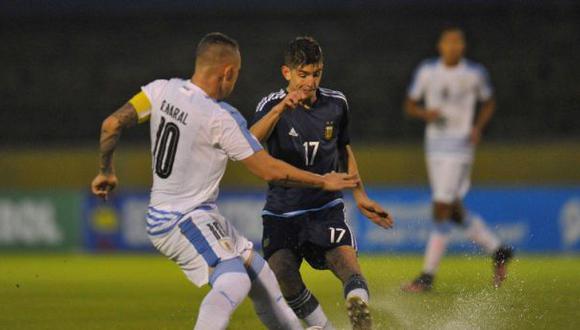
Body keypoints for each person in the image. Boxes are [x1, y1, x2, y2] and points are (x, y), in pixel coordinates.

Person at [90, 32, 359, 330]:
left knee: (263, 277)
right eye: (237, 74)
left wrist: (106, 170)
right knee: (232, 280)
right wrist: (323, 181)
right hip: (180, 218)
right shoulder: (220, 117)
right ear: (228, 72)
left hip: (198, 215)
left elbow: (111, 124)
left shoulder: (161, 89)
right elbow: (270, 170)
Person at [250, 36, 394, 330]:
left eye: (316, 73)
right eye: (303, 74)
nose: (310, 81)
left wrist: (360, 194)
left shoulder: (336, 103)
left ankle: (358, 306)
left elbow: (344, 149)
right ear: (286, 73)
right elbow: (249, 142)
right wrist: (281, 110)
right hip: (282, 214)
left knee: (347, 264)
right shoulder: (271, 104)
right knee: (283, 275)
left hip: (324, 209)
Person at [402, 26, 513, 292]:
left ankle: (427, 276)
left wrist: (477, 127)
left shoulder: (474, 73)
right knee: (453, 208)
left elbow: (489, 102)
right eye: (448, 42)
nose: (453, 47)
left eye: (457, 42)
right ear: (440, 45)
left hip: (460, 146)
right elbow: (410, 104)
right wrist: (424, 113)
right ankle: (498, 249)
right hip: (434, 146)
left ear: (463, 47)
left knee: (441, 205)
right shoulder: (427, 71)